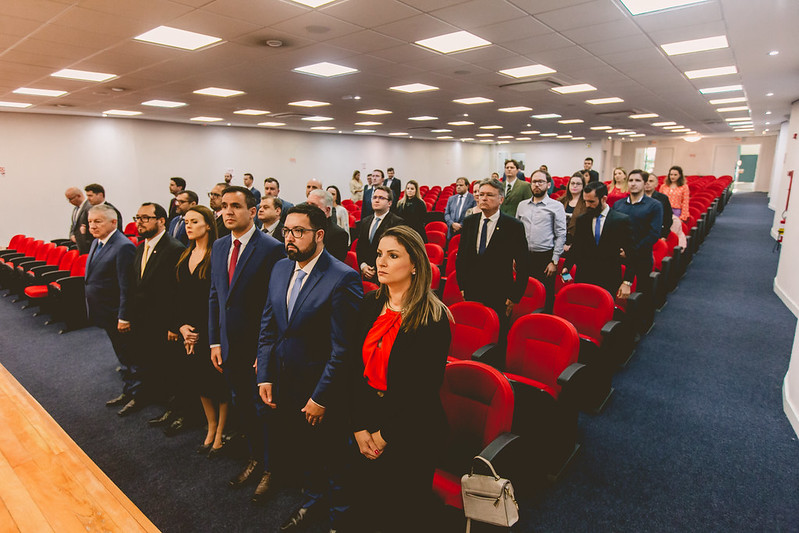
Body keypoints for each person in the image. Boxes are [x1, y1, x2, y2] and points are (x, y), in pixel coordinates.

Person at [257, 203, 363, 531]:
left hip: (323, 389)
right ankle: (313, 501)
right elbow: (269, 326)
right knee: (306, 451)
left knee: (334, 458)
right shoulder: (280, 268)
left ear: (319, 235)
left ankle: (340, 520)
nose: (289, 238)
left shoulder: (342, 278)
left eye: (298, 232)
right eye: (286, 231)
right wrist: (265, 374)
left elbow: (343, 349)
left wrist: (321, 397)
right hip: (286, 381)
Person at [349, 225, 452, 532]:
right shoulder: (369, 303)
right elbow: (353, 369)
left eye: (393, 256)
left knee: (402, 513)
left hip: (411, 430)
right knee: (367, 505)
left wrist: (383, 436)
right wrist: (359, 426)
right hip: (368, 417)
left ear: (415, 265)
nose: (381, 262)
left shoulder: (433, 317)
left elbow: (422, 391)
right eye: (380, 254)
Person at [208, 186, 285, 505]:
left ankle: (272, 468)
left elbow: (276, 304)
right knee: (242, 405)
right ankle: (255, 458)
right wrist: (215, 340)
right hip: (228, 345)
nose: (227, 211)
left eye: (235, 206)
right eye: (224, 205)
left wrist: (264, 352)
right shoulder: (219, 245)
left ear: (252, 212)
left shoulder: (272, 248)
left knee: (264, 411)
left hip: (258, 348)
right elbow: (215, 296)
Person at [174, 205, 230, 457]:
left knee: (218, 383)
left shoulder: (217, 254)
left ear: (208, 225)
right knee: (199, 381)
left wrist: (209, 331)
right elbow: (178, 295)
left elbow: (219, 298)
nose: (188, 226)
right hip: (190, 330)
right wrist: (182, 326)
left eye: (194, 221)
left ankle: (221, 432)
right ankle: (211, 426)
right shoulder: (185, 254)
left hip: (212, 328)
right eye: (186, 222)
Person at [125, 203, 185, 418]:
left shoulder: (174, 248)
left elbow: (177, 292)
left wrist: (174, 325)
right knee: (147, 360)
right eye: (137, 217)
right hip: (143, 318)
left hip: (163, 319)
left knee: (168, 365)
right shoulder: (141, 246)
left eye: (145, 218)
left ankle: (172, 406)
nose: (139, 222)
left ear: (161, 220)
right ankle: (150, 395)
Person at [456, 178, 529, 334]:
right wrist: (462, 286)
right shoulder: (469, 222)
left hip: (500, 294)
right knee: (473, 334)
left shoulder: (513, 226)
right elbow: (461, 257)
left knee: (495, 336)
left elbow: (523, 265)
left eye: (489, 195)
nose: (483, 198)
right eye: (481, 194)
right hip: (472, 290)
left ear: (501, 199)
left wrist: (515, 296)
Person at [83, 204, 138, 409]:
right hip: (105, 312)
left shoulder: (123, 246)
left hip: (117, 314)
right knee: (122, 355)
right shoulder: (97, 242)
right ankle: (130, 389)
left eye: (98, 221)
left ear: (113, 222)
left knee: (130, 356)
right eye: (90, 222)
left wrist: (124, 316)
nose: (92, 226)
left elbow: (127, 286)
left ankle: (136, 394)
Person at [563, 182, 635, 298]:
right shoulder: (582, 219)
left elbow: (632, 254)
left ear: (603, 199)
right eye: (585, 201)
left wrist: (627, 282)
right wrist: (566, 268)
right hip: (584, 276)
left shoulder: (621, 220)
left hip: (609, 278)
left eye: (591, 202)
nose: (587, 205)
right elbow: (576, 247)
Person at [516, 169, 567, 313]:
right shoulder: (522, 205)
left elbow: (561, 235)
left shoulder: (556, 206)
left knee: (545, 295)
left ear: (548, 185)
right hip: (524, 256)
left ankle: (543, 321)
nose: (537, 185)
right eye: (534, 182)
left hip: (545, 257)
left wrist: (554, 261)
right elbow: (517, 233)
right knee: (524, 292)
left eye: (541, 182)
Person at [613, 169, 664, 294]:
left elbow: (653, 234)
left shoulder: (654, 205)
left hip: (641, 257)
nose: (633, 183)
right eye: (630, 180)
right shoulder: (618, 205)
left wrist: (630, 251)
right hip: (619, 256)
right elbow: (613, 230)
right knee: (616, 293)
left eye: (637, 180)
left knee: (639, 295)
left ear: (645, 183)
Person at [356, 185, 404, 282]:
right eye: (374, 197)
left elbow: (395, 252)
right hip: (366, 272)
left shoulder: (397, 223)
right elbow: (360, 247)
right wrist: (363, 266)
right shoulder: (365, 221)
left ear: (389, 203)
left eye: (381, 198)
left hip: (386, 274)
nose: (377, 200)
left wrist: (377, 268)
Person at [75, 184, 123, 254]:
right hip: (91, 247)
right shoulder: (90, 210)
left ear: (100, 195)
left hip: (108, 248)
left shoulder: (111, 210)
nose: (88, 199)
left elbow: (116, 231)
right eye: (87, 196)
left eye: (90, 196)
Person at [307, 190, 350, 261]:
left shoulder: (339, 234)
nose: (307, 209)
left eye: (313, 206)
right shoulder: (304, 228)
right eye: (307, 205)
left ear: (327, 210)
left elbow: (333, 263)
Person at [560, 173, 588, 253]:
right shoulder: (561, 201)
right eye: (572, 183)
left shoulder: (586, 204)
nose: (575, 186)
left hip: (577, 243)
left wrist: (572, 245)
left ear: (583, 186)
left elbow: (585, 229)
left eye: (578, 184)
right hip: (560, 241)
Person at [645, 172, 675, 239]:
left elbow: (668, 219)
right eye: (645, 181)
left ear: (656, 184)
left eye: (651, 181)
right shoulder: (637, 197)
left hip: (657, 233)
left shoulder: (663, 198)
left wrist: (664, 236)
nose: (647, 183)